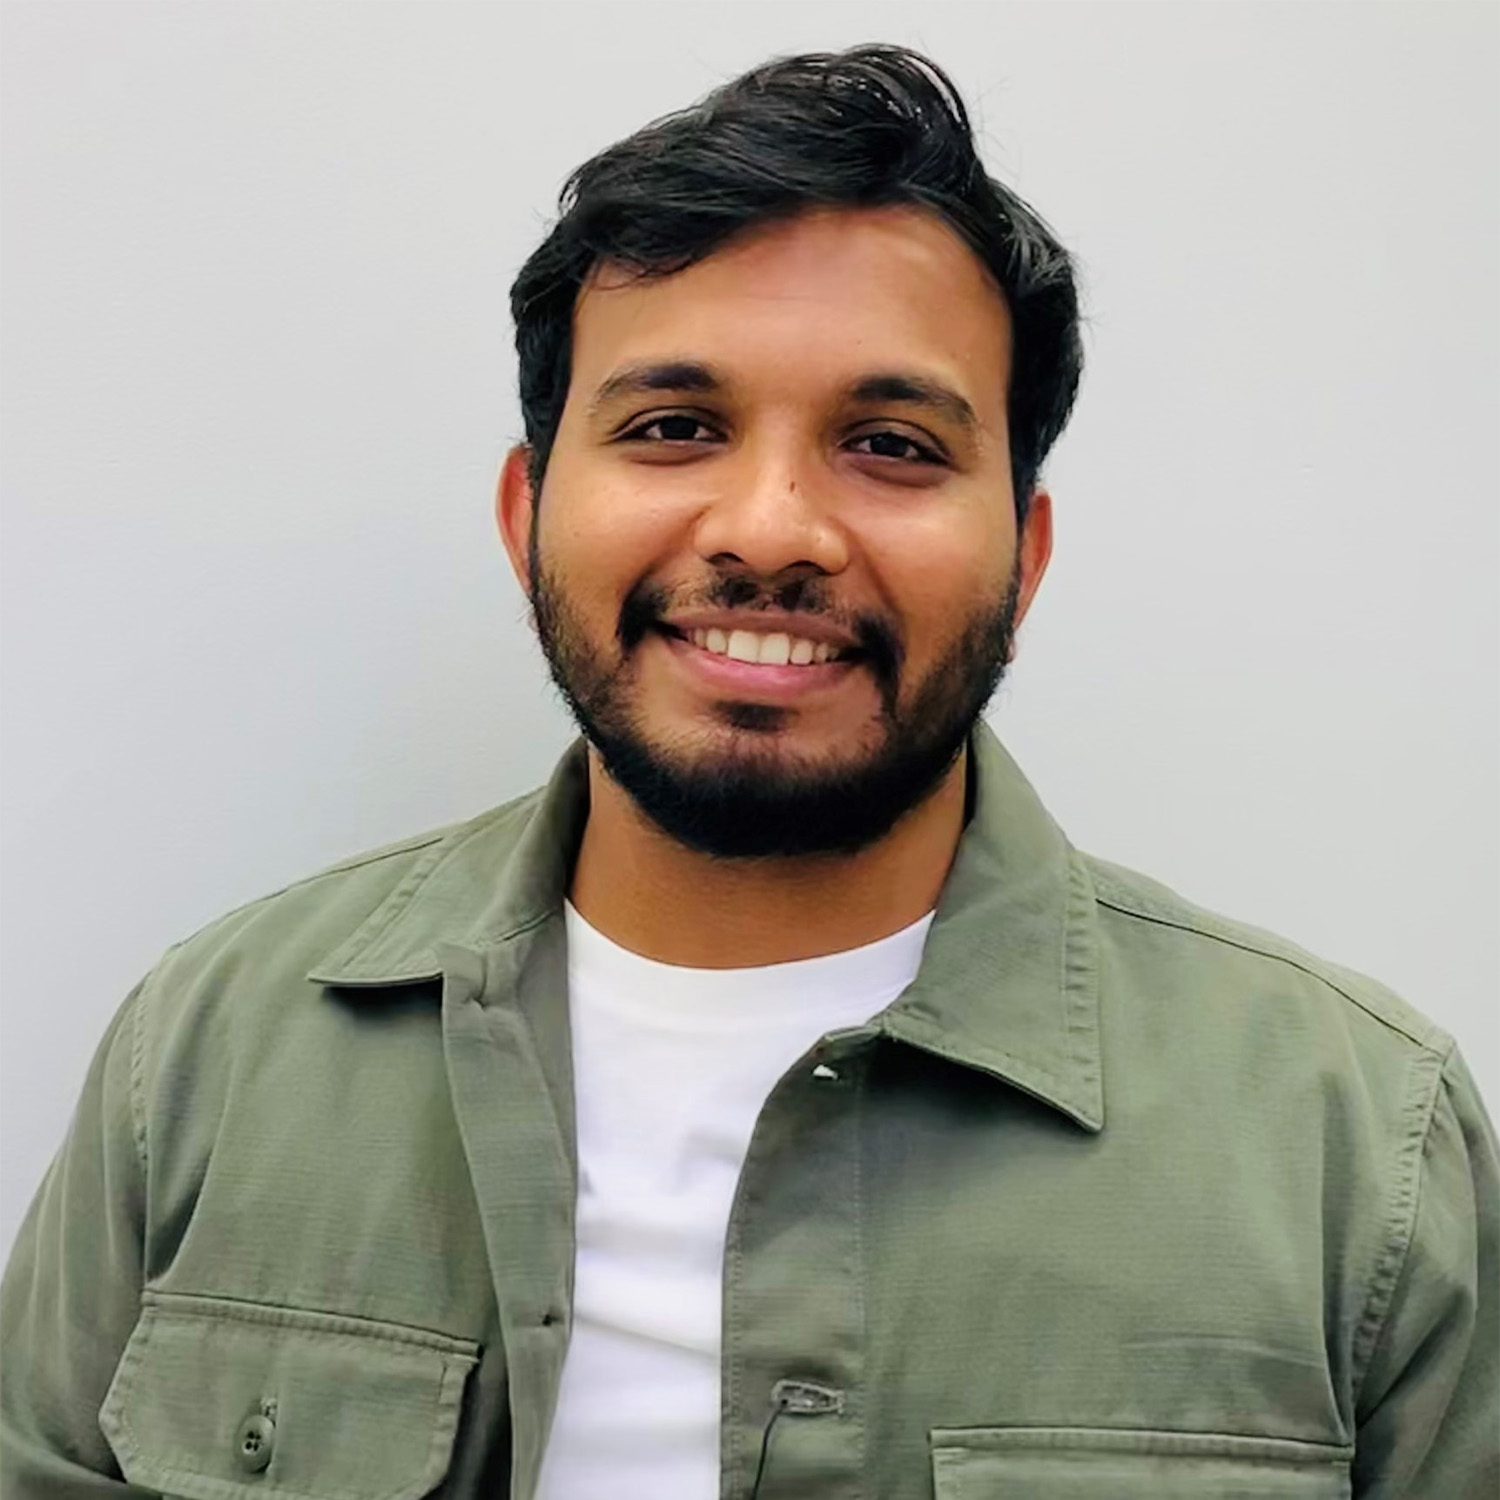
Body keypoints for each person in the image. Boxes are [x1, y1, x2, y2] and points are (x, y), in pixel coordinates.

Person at [1, 42, 1494, 1500]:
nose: (772, 527)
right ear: (530, 512)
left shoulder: (1360, 1150)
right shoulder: (203, 1058)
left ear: (1023, 560)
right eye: (673, 427)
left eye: (893, 445)